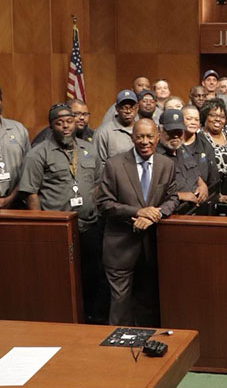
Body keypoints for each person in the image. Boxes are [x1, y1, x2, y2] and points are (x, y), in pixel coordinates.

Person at [19, 103, 107, 323]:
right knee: (61, 280)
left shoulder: (88, 149)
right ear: (51, 127)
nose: (66, 127)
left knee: (92, 277)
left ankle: (91, 320)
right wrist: (41, 229)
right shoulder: (38, 154)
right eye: (60, 123)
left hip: (89, 226)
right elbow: (31, 194)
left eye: (69, 121)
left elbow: (97, 184)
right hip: (59, 232)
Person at [98, 118, 179, 326]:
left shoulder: (166, 164)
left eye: (150, 136)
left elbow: (173, 198)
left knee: (148, 303)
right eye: (140, 136)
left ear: (158, 137)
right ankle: (118, 351)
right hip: (120, 247)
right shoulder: (115, 165)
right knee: (120, 305)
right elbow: (104, 203)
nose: (145, 141)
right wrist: (138, 212)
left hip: (152, 247)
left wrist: (155, 215)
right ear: (132, 138)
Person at [156, 109, 209, 209]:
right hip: (174, 211)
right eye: (171, 132)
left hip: (195, 207)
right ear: (160, 130)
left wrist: (202, 185)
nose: (176, 136)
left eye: (179, 131)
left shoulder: (183, 148)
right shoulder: (155, 157)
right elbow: (152, 193)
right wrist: (180, 195)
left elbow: (195, 172)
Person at [180, 105, 222, 199]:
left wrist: (218, 196)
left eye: (196, 119)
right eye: (189, 119)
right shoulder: (174, 145)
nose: (193, 122)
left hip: (203, 197)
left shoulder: (205, 145)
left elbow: (213, 177)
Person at [199, 98, 227, 175]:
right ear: (205, 116)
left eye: (222, 117)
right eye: (213, 115)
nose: (218, 119)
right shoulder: (199, 139)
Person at [94, 89, 137, 166]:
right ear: (117, 108)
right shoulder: (103, 132)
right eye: (124, 107)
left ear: (137, 108)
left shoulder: (142, 129)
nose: (128, 111)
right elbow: (99, 165)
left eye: (131, 107)